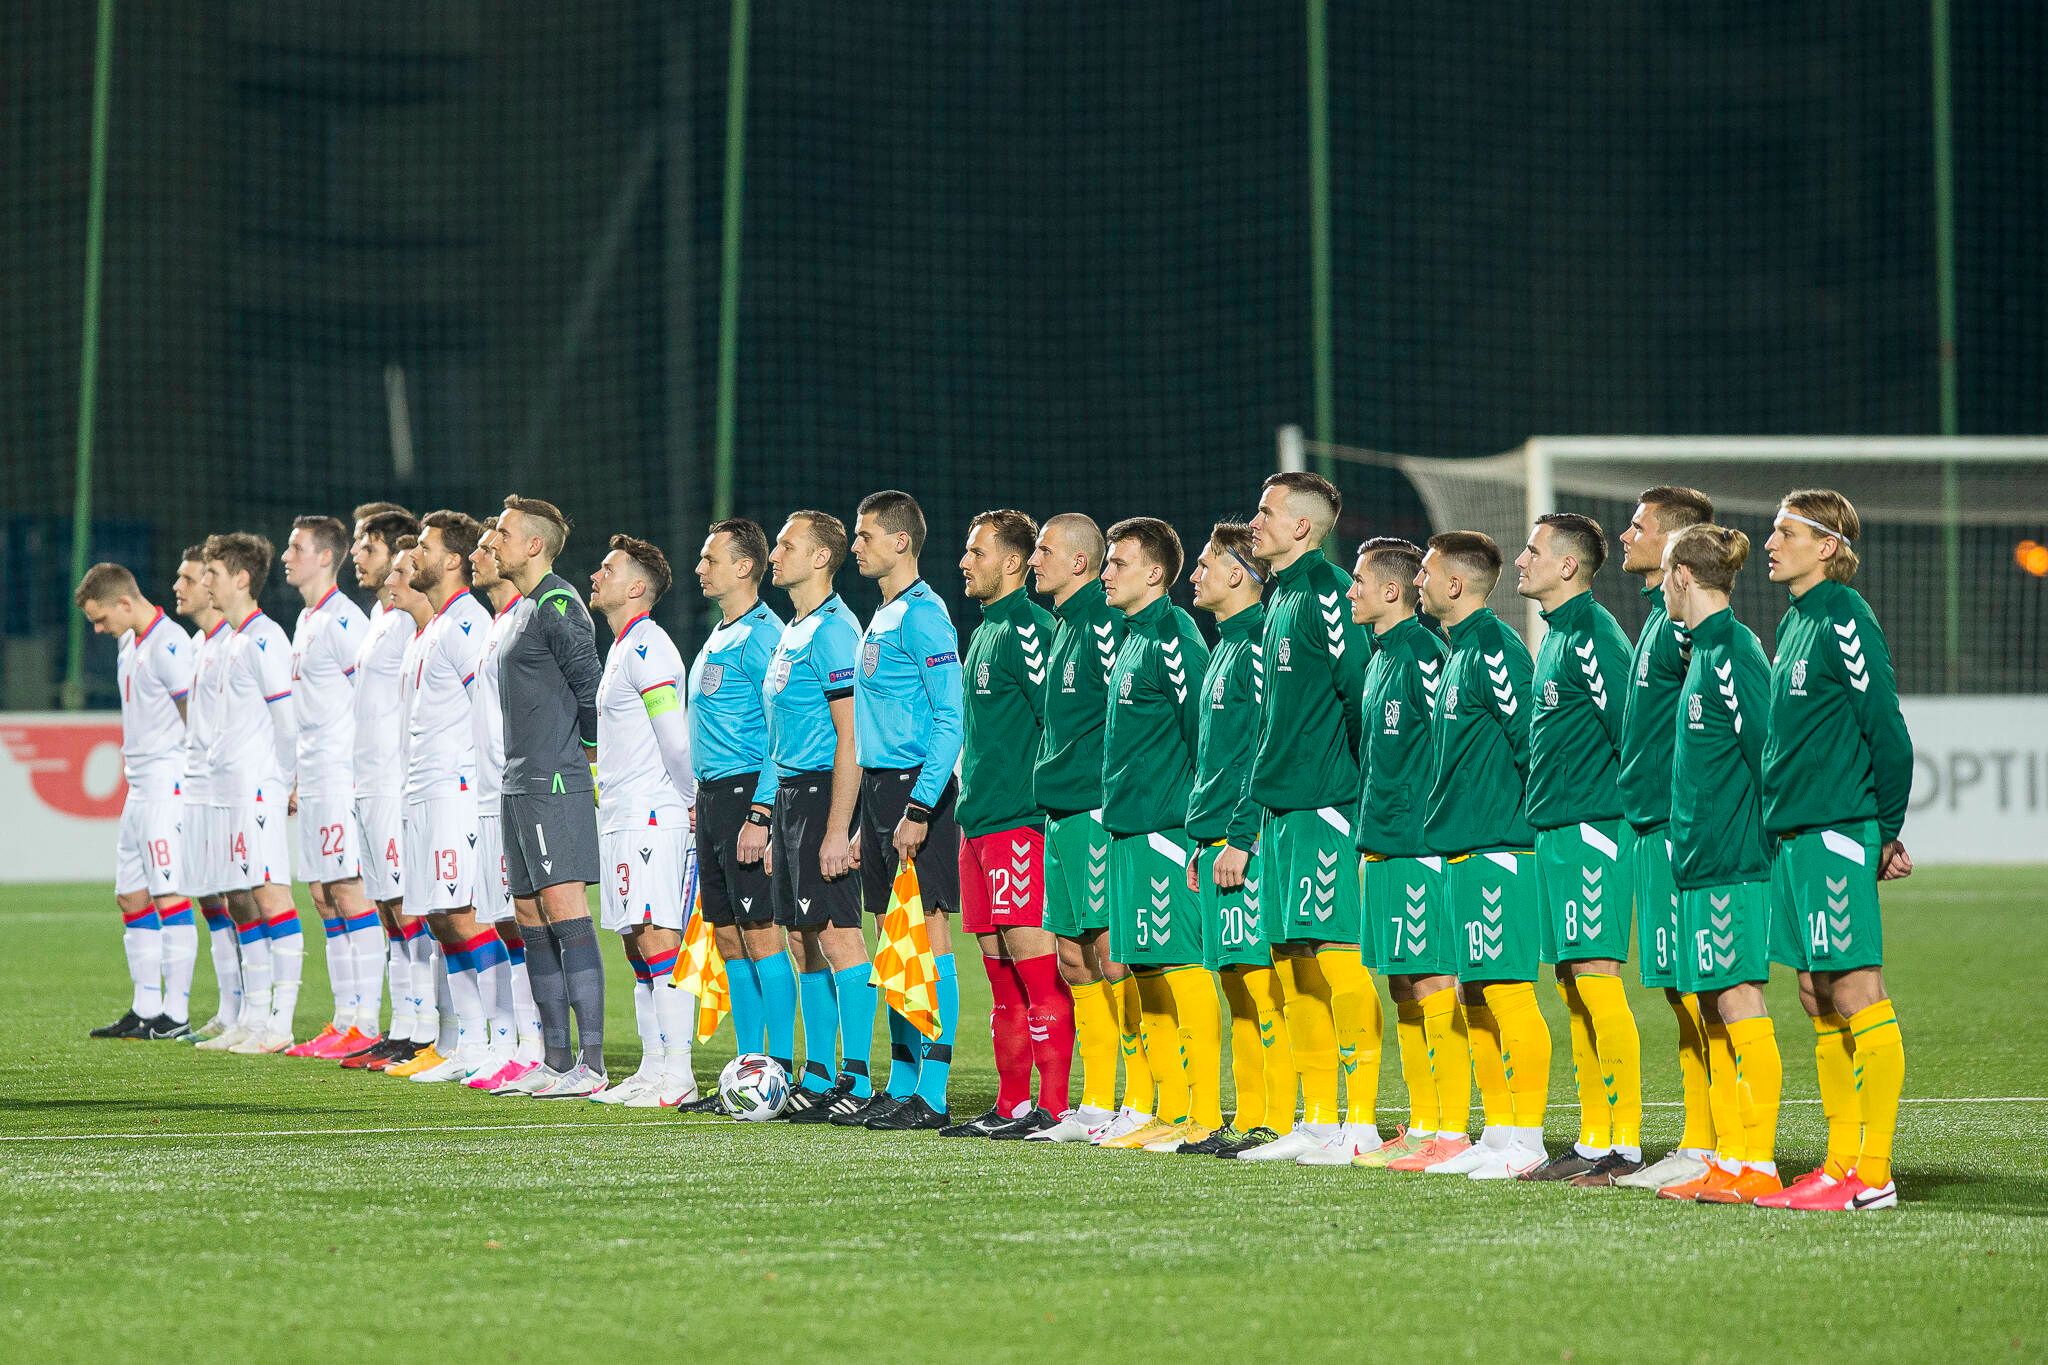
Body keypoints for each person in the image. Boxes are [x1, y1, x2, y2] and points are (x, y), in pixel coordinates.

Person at [1754, 490, 1913, 1213]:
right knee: (1816, 994)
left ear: (1826, 545)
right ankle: (1839, 1162)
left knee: (1855, 990)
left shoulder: (1844, 615)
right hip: (1795, 837)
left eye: (1784, 532)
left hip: (1836, 829)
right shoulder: (1794, 621)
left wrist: (1885, 827)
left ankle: (1872, 1174)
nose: (1769, 542)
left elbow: (1886, 727)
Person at [1241, 471, 1378, 1165]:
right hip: (1283, 809)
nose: (1255, 522)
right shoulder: (1281, 598)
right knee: (1292, 962)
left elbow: (1361, 696)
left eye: (1266, 512)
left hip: (1325, 804)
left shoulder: (1328, 592)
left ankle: (1362, 1123)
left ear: (1302, 526)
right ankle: (1319, 1119)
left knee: (1336, 956)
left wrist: (1350, 792)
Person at [1409, 531, 1550, 1180]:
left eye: (1427, 571)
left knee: (1509, 992)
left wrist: (1519, 829)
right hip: (1463, 846)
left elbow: (1530, 741)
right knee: (1475, 994)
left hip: (1498, 846)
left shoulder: (1494, 646)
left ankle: (1528, 1137)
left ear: (1456, 583)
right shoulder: (1457, 650)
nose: (1419, 581)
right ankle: (1497, 1132)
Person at [1652, 525, 1785, 1205]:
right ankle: (1729, 1159)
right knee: (1711, 1007)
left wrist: (1768, 842)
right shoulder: (1702, 650)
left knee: (1738, 1002)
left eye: (1664, 575)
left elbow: (1769, 751)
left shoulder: (1734, 650)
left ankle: (1756, 1163)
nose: (1660, 589)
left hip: (1733, 861)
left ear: (1681, 574)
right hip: (1700, 864)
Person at [1512, 513, 1643, 1184]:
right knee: (1572, 986)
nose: (1521, 560)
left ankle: (1626, 1143)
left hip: (1593, 829)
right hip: (1557, 831)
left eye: (1533, 550)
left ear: (1567, 565)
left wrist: (1625, 822)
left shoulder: (1593, 634)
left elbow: (1630, 730)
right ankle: (1595, 1138)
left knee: (1596, 978)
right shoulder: (1557, 636)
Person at [1610, 487, 1726, 1191]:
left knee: (1704, 992)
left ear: (1675, 542)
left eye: (1638, 526)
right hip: (1652, 827)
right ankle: (1698, 1140)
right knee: (1682, 995)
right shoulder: (1659, 619)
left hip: (1682, 830)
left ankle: (1725, 1145)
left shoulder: (1689, 630)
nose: (1626, 536)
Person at [1346, 538, 1468, 1171]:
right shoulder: (1381, 658)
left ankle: (1452, 1130)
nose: (1351, 592)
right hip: (1383, 842)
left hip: (1419, 843)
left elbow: (1452, 741)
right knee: (1402, 983)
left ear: (1391, 591)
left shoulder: (1423, 653)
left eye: (1359, 581)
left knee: (1432, 979)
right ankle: (1422, 1125)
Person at [1095, 517, 1216, 1152]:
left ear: (1155, 573)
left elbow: (1205, 737)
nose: (1106, 573)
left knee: (1181, 966)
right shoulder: (1131, 637)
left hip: (1166, 831)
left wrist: (1199, 830)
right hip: (1127, 831)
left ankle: (1204, 1111)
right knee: (1143, 967)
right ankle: (1168, 1110)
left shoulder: (1174, 639)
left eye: (1118, 563)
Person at [951, 509, 1073, 1140]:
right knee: (1000, 976)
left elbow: (1059, 721)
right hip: (978, 823)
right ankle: (1010, 1105)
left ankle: (1053, 1107)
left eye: (977, 552)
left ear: (1013, 562)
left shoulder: (1030, 628)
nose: (965, 562)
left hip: (1020, 823)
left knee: (1035, 966)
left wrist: (1045, 806)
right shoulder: (986, 631)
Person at [849, 490, 967, 1131]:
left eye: (865, 535)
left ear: (901, 542)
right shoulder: (885, 614)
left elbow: (951, 715)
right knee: (894, 938)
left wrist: (921, 804)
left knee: (929, 934)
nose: (856, 546)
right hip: (879, 790)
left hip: (916, 790)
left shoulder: (924, 615)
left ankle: (935, 1091)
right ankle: (900, 1082)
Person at [756, 512, 874, 1124]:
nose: (775, 554)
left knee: (837, 935)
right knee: (804, 941)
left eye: (787, 545)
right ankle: (819, 1074)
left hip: (824, 793)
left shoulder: (834, 631)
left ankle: (857, 1078)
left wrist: (837, 827)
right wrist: (772, 819)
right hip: (790, 800)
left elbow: (849, 735)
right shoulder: (795, 630)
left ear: (822, 558)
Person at [1182, 524, 1294, 1158]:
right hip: (1215, 838)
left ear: (1238, 575)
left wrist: (1239, 837)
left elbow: (1262, 751)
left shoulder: (1256, 647)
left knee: (1260, 984)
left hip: (1242, 842)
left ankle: (1278, 1118)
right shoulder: (1225, 647)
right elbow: (1215, 757)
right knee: (1236, 986)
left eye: (1206, 563)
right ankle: (1251, 1115)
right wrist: (1200, 840)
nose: (1195, 575)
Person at [492, 495, 608, 1093]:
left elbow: (592, 689)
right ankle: (556, 1060)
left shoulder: (558, 603)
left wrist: (586, 759)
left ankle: (592, 1064)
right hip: (519, 781)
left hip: (554, 782)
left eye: (504, 533)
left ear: (534, 545)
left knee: (564, 910)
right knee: (529, 915)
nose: (495, 541)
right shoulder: (522, 609)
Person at [1024, 514, 1133, 1144]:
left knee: (1112, 953)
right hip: (1058, 812)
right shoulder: (1064, 623)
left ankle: (1138, 1099)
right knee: (1071, 957)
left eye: (1044, 550)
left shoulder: (1103, 622)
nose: (1033, 560)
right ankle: (1095, 1102)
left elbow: (1130, 716)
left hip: (1094, 808)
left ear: (1079, 563)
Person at [391, 512, 509, 1088]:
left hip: (457, 790)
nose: (414, 555)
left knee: (464, 915)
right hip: (424, 789)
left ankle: (497, 1041)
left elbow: (489, 710)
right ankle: (466, 1041)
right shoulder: (434, 627)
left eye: (424, 546)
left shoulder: (467, 623)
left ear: (453, 560)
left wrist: (488, 784)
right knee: (440, 917)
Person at [586, 534, 704, 1107]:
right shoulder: (622, 647)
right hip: (622, 814)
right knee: (636, 944)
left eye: (608, 569)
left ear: (637, 587)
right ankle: (652, 1068)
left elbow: (675, 740)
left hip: (653, 815)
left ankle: (678, 1074)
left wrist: (690, 798)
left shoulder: (649, 648)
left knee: (658, 938)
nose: (596, 576)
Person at [688, 518, 797, 1084]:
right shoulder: (720, 633)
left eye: (711, 559)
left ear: (745, 566)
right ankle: (748, 1067)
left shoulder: (763, 637)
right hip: (712, 799)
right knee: (729, 936)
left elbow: (782, 731)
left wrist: (761, 812)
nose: (700, 568)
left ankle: (777, 1068)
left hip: (745, 795)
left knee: (760, 933)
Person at [77, 563, 199, 1040]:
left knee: (169, 894)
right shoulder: (131, 641)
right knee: (130, 895)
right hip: (138, 786)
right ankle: (145, 1006)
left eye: (100, 618)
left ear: (125, 602)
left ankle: (176, 1013)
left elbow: (194, 717)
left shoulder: (170, 644)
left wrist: (196, 778)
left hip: (168, 784)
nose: (98, 628)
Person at [192, 532, 302, 1055]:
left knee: (270, 894)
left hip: (257, 787)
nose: (204, 582)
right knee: (240, 899)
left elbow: (286, 719)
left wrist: (286, 780)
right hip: (227, 789)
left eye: (212, 573)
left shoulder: (264, 638)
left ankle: (280, 1021)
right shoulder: (231, 640)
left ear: (240, 578)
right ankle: (253, 1015)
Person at [278, 515, 379, 1059]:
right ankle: (343, 1018)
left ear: (324, 557)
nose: (286, 556)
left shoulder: (344, 621)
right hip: (315, 776)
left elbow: (367, 698)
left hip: (341, 775)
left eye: (296, 548)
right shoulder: (306, 619)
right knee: (322, 895)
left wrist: (358, 770)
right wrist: (298, 774)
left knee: (349, 891)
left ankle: (366, 1020)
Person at [463, 517, 548, 1094]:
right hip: (489, 793)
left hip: (518, 791)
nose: (481, 554)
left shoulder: (528, 619)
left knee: (529, 923)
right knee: (502, 921)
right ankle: (510, 1044)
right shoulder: (497, 624)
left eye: (490, 545)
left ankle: (539, 1047)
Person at [341, 509, 428, 1071]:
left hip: (396, 783)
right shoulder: (379, 618)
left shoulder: (406, 622)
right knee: (387, 909)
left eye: (367, 548)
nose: (357, 556)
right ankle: (402, 1027)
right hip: (368, 782)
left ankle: (424, 1028)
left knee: (408, 906)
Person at [170, 546, 241, 1045]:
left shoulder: (237, 643)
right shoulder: (200, 644)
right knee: (211, 899)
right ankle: (228, 1007)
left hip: (226, 787)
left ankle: (250, 1010)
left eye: (191, 578)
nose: (181, 586)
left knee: (238, 897)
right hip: (196, 784)